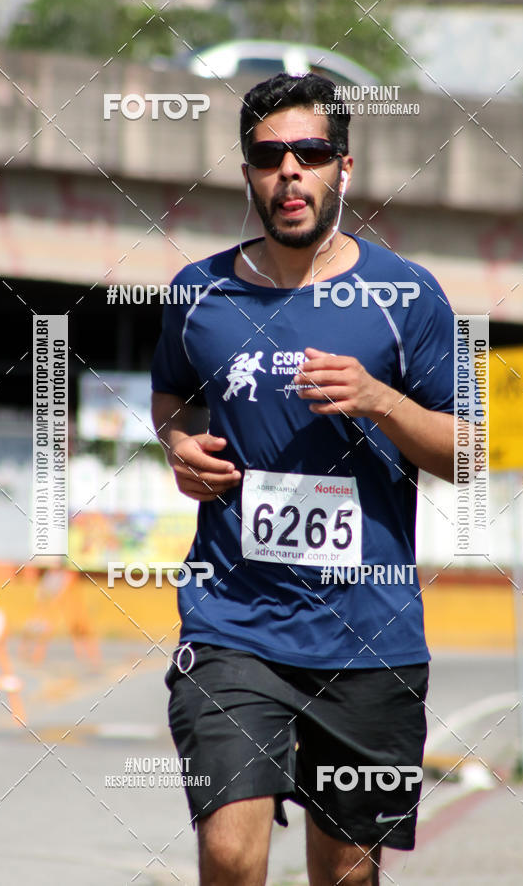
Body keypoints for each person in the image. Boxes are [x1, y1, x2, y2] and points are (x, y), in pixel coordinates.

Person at [151, 73, 455, 886]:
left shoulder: (406, 297)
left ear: (342, 168)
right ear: (248, 172)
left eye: (310, 152)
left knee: (347, 873)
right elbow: (170, 395)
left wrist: (380, 400)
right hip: (232, 625)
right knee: (228, 849)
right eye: (268, 155)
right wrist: (178, 442)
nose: (289, 171)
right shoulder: (198, 294)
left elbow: (467, 451)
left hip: (369, 634)